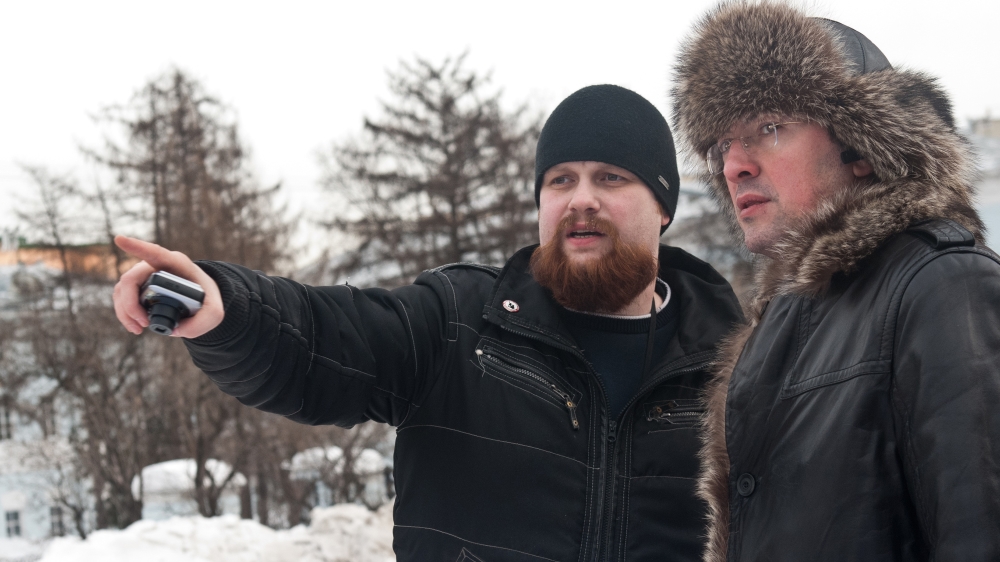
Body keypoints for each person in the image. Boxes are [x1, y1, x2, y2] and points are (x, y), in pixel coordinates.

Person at [113, 84, 743, 562]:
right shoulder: (460, 324)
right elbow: (321, 341)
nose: (581, 197)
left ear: (662, 206)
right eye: (560, 180)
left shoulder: (739, 363)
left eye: (612, 177)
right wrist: (227, 309)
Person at [670, 3, 1000, 562]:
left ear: (862, 148)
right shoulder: (783, 320)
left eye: (768, 128)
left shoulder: (942, 284)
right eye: (721, 144)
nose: (733, 167)